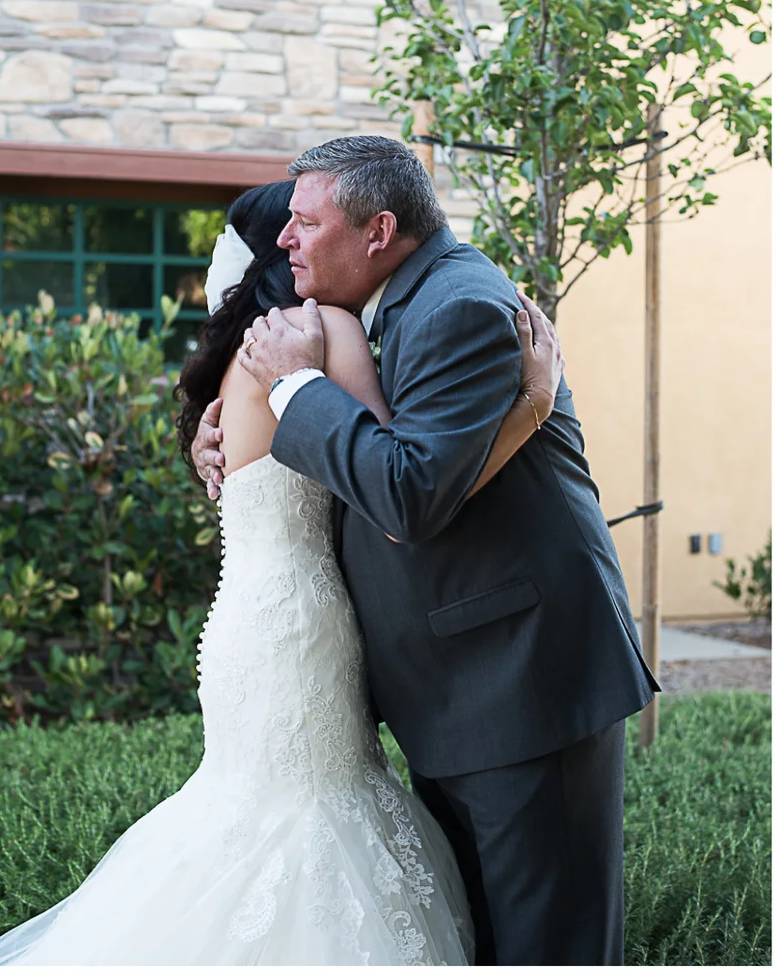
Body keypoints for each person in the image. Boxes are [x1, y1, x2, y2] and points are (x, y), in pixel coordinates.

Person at [0, 177, 558, 965]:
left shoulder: (241, 356)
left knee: (255, 818)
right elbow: (400, 493)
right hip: (299, 625)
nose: (306, 238)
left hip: (245, 622)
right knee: (315, 827)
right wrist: (529, 409)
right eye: (298, 227)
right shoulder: (320, 329)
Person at [190, 136, 658, 965]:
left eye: (306, 221)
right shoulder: (368, 311)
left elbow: (407, 494)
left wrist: (296, 388)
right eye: (286, 226)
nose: (287, 239)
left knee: (548, 949)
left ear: (378, 230)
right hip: (448, 684)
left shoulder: (460, 306)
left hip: (519, 683)